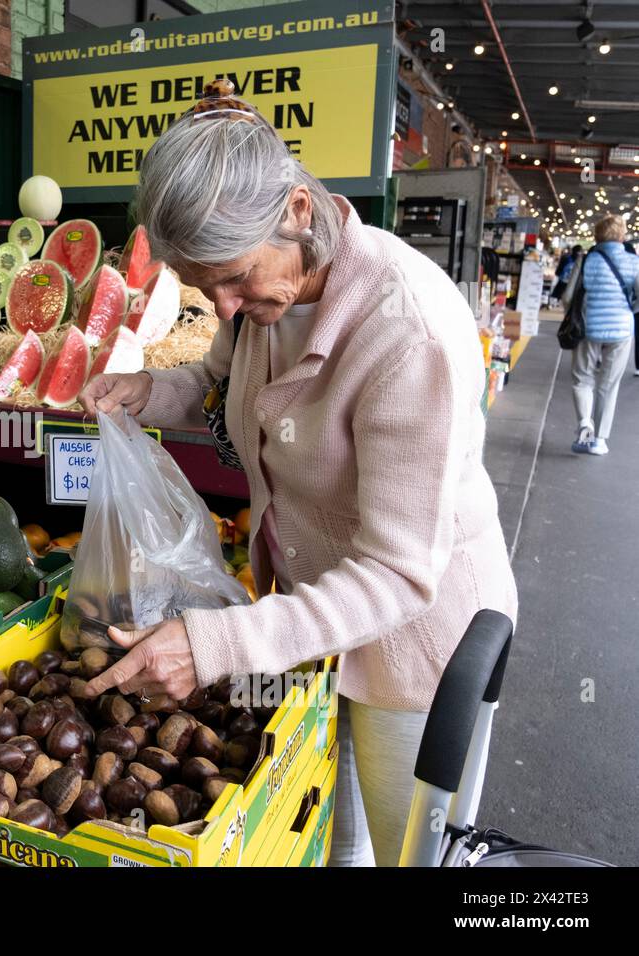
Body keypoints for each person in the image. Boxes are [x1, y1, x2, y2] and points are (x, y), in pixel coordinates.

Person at [79, 81, 517, 867]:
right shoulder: (258, 300)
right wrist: (146, 390)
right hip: (310, 626)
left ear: (300, 213)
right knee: (327, 837)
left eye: (235, 277)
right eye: (204, 286)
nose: (224, 307)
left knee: (406, 854)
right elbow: (217, 384)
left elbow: (395, 573)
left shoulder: (404, 332)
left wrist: (216, 642)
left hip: (417, 647)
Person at [564, 216, 639, 454]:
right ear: (621, 236)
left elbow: (567, 297)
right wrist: (629, 311)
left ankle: (585, 424)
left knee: (582, 378)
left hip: (588, 328)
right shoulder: (633, 262)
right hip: (621, 330)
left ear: (597, 236)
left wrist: (574, 315)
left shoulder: (585, 260)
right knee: (608, 385)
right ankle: (600, 441)